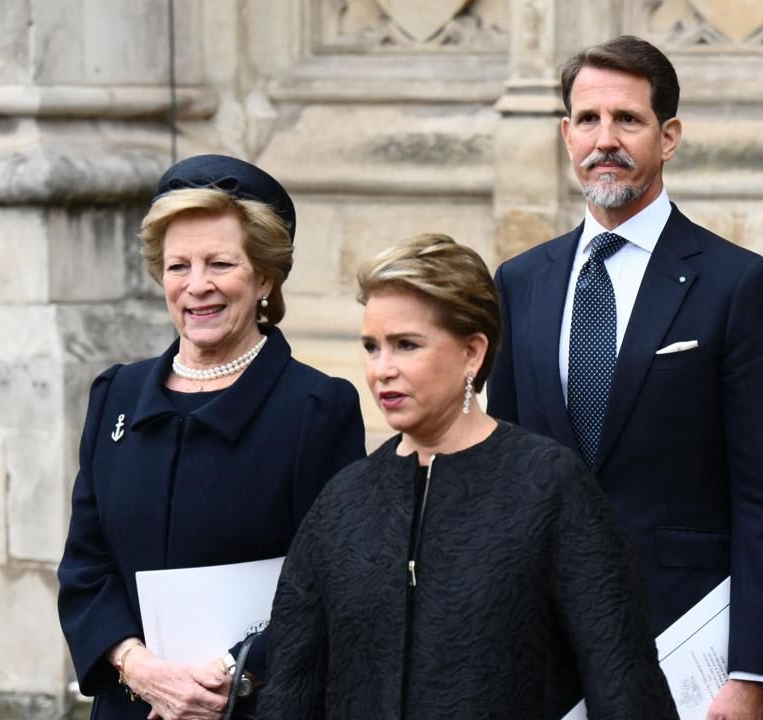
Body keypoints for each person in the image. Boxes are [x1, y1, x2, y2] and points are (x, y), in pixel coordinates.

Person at [487, 35, 763, 717]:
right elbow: (503, 484)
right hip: (545, 655)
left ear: (669, 137)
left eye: (627, 120)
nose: (607, 139)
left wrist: (753, 673)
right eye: (590, 121)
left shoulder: (737, 284)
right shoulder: (520, 283)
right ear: (566, 134)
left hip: (686, 651)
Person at [259, 234, 678, 719]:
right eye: (372, 347)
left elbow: (624, 686)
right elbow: (290, 694)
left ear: (473, 353)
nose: (382, 370)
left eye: (406, 345)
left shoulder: (549, 486)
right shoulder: (343, 501)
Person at [57, 154, 366, 720]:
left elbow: (335, 582)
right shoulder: (116, 396)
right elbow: (85, 566)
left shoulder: (317, 408)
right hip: (132, 703)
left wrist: (227, 674)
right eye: (179, 266)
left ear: (265, 275)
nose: (197, 286)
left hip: (257, 706)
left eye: (220, 263)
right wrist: (139, 667)